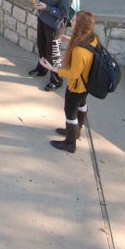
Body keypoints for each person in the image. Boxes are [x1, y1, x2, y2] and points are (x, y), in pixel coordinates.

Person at [38, 11, 99, 154]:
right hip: (87, 83)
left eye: (75, 20)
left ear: (80, 25)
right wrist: (69, 38)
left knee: (70, 113)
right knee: (82, 104)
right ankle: (77, 130)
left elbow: (73, 73)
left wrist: (52, 68)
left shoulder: (78, 51)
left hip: (76, 86)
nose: (72, 21)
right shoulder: (93, 38)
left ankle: (70, 143)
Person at [25, 0, 75, 92]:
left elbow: (64, 13)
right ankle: (42, 69)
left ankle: (56, 80)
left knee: (53, 53)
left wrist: (47, 8)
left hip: (55, 26)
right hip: (42, 20)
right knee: (42, 46)